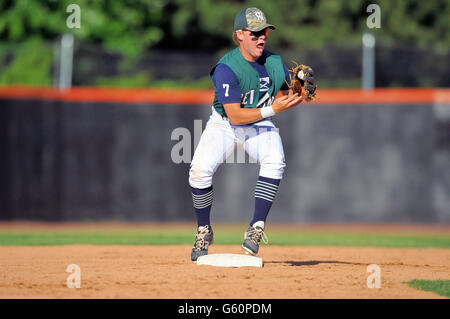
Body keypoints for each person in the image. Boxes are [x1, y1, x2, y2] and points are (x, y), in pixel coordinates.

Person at [189, 7, 306, 262]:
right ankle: (203, 230)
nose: (261, 37)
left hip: (259, 124)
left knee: (275, 162)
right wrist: (274, 108)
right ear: (239, 35)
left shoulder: (274, 62)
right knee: (199, 169)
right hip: (225, 125)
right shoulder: (226, 68)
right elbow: (235, 116)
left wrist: (300, 86)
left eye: (264, 32)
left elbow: (291, 93)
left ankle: (256, 227)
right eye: (254, 33)